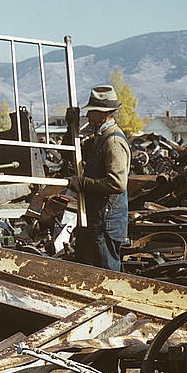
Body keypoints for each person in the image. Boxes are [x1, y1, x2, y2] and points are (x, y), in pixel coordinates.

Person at [67, 85, 131, 272]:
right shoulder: (99, 138)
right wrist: (71, 127)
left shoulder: (112, 141)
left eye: (91, 113)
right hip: (97, 218)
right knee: (90, 270)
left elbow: (117, 183)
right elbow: (71, 154)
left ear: (103, 114)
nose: (88, 116)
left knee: (107, 273)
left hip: (106, 221)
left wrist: (83, 183)